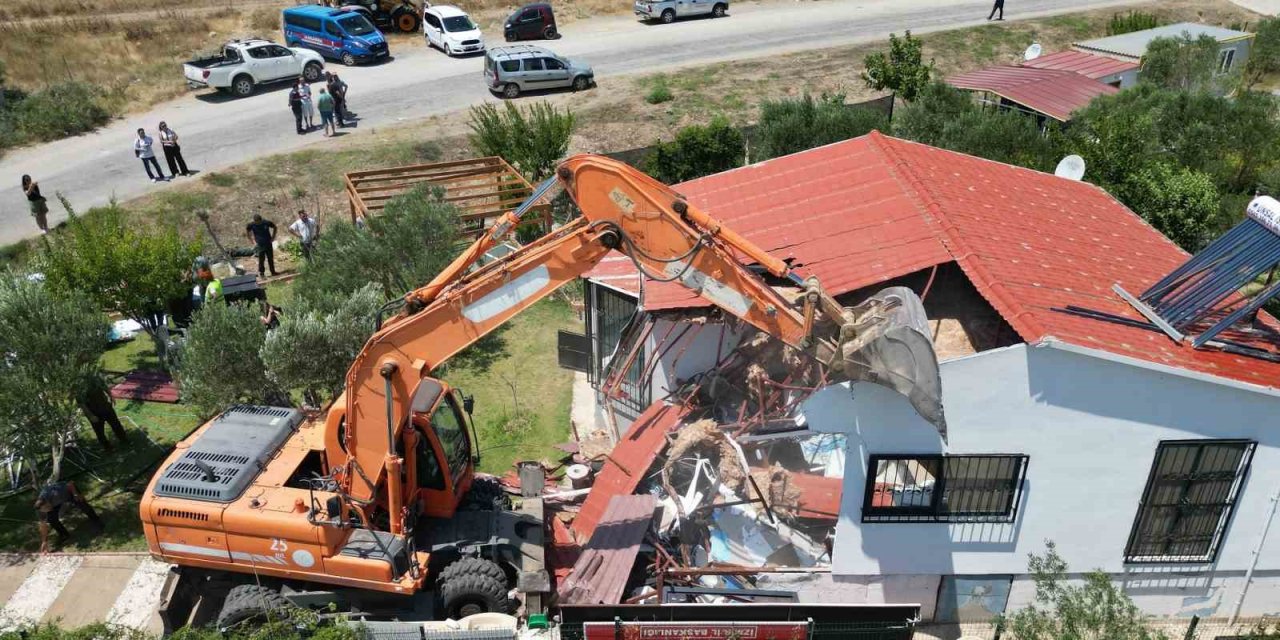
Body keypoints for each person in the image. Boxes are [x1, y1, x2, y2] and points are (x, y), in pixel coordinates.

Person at [36, 481, 103, 553]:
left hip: (70, 492)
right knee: (51, 519)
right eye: (45, 510)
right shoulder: (41, 509)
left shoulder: (55, 493)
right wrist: (44, 541)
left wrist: (75, 494)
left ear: (47, 502)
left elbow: (70, 484)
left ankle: (96, 520)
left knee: (82, 504)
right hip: (55, 503)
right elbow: (43, 525)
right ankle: (64, 535)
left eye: (47, 508)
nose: (47, 510)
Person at [77, 376, 129, 451]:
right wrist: (91, 415)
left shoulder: (95, 376)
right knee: (100, 432)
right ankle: (108, 448)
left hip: (105, 406)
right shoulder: (79, 384)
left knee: (116, 424)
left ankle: (124, 439)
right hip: (94, 412)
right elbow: (81, 403)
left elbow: (104, 386)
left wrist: (111, 396)